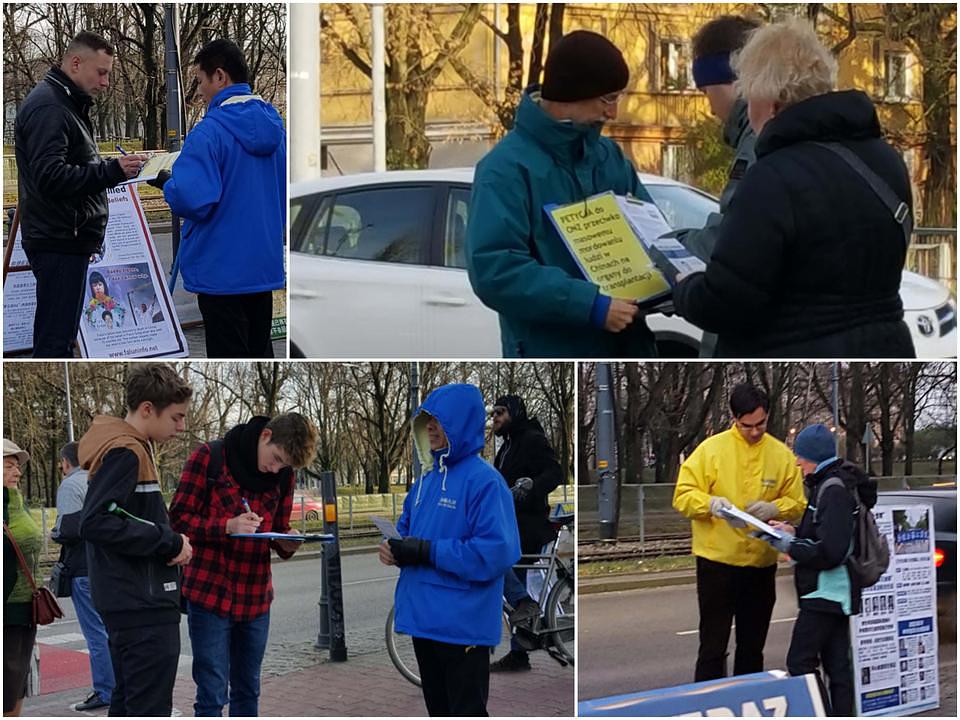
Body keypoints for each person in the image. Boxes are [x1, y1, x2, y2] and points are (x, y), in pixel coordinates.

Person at [672, 19, 916, 358]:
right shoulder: (886, 161)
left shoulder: (772, 177)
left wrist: (685, 289)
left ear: (770, 99)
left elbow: (726, 301)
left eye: (750, 94)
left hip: (790, 351)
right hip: (887, 348)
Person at [466, 30, 658, 358]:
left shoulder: (608, 156)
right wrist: (590, 305)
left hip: (626, 347)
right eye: (608, 99)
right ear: (573, 93)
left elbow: (649, 231)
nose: (614, 112)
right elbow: (494, 269)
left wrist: (673, 281)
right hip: (553, 351)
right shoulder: (504, 169)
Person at [380, 384, 521, 716]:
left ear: (460, 424)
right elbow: (406, 531)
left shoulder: (485, 482)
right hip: (424, 621)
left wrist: (426, 551)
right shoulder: (425, 481)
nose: (429, 427)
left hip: (462, 626)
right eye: (426, 420)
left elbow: (495, 553)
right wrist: (394, 549)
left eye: (438, 421)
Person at [168, 413, 319, 717]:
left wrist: (287, 541)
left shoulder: (283, 477)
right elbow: (178, 521)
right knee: (211, 694)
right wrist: (227, 526)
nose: (275, 469)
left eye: (284, 466)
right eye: (276, 458)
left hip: (255, 598)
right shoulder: (210, 457)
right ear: (266, 435)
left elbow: (277, 528)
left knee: (248, 690)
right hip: (210, 594)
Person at [14, 32, 146, 357]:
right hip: (59, 239)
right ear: (75, 63)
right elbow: (51, 177)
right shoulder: (51, 106)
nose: (105, 83)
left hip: (64, 237)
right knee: (55, 343)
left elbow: (65, 167)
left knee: (59, 338)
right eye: (101, 72)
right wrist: (112, 172)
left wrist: (108, 170)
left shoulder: (63, 103)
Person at [151, 39, 285, 358]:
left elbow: (193, 199)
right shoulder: (276, 130)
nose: (199, 91)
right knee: (259, 351)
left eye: (200, 81)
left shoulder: (209, 132)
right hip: (262, 268)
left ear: (220, 76)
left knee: (228, 350)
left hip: (220, 270)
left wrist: (168, 184)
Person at [78, 364, 194, 716]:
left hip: (131, 599)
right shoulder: (126, 451)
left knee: (129, 703)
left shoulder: (127, 447)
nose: (181, 426)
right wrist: (169, 542)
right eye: (176, 417)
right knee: (148, 707)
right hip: (143, 604)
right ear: (147, 409)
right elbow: (95, 522)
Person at [672, 383, 805, 681]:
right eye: (747, 426)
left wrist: (775, 508)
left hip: (760, 566)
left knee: (752, 647)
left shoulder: (781, 455)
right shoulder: (711, 450)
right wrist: (710, 504)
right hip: (716, 564)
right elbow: (683, 495)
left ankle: (747, 697)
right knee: (712, 646)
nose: (755, 431)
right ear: (734, 418)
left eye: (761, 424)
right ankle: (708, 699)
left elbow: (797, 503)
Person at [763, 423, 875, 716]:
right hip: (834, 593)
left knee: (800, 662)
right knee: (838, 667)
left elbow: (831, 551)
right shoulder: (831, 483)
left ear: (812, 457)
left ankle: (821, 713)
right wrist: (794, 531)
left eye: (800, 456)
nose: (797, 463)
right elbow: (823, 534)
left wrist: (789, 544)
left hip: (825, 591)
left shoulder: (832, 489)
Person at [673, 15, 759, 358]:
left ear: (732, 81)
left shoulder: (759, 141)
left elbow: (728, 239)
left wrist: (668, 248)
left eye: (705, 91)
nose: (708, 107)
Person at [489, 395, 564, 672]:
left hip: (527, 524)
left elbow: (555, 472)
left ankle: (524, 628)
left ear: (515, 413)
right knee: (509, 578)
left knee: (502, 570)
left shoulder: (532, 439)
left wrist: (532, 485)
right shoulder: (506, 447)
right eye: (493, 413)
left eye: (501, 412)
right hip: (509, 523)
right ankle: (520, 649)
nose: (495, 418)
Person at [51, 442, 114, 712]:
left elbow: (70, 529)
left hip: (82, 567)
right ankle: (119, 685)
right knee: (111, 629)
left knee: (95, 633)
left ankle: (105, 690)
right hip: (108, 566)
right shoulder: (102, 480)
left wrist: (54, 533)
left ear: (66, 463)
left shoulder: (70, 485)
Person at [3, 439, 42, 717]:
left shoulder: (16, 501)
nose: (17, 472)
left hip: (24, 609)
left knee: (17, 684)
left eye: (17, 466)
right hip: (8, 610)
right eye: (8, 466)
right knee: (8, 685)